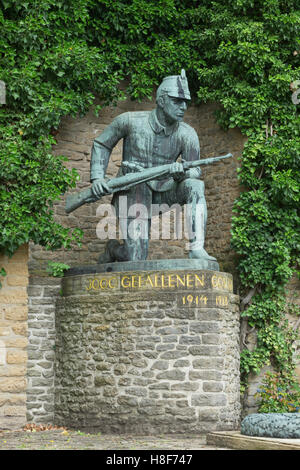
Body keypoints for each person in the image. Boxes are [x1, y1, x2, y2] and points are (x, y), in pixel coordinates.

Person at [90, 69, 215, 263]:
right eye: (177, 101)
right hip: (134, 192)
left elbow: (195, 170)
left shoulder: (187, 134)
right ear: (162, 100)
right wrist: (98, 177)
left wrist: (182, 172)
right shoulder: (130, 120)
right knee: (135, 259)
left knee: (195, 185)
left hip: (164, 192)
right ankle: (114, 249)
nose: (183, 107)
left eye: (185, 102)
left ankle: (196, 249)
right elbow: (102, 144)